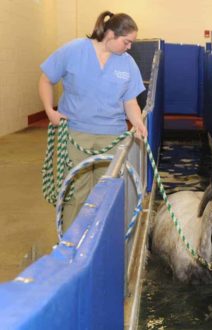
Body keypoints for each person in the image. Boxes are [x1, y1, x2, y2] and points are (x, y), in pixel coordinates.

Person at [39, 11, 146, 229]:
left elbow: (130, 102)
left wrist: (138, 123)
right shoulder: (74, 50)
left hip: (112, 136)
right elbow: (45, 79)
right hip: (77, 133)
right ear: (111, 34)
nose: (129, 47)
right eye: (126, 42)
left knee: (105, 193)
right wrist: (50, 110)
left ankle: (98, 242)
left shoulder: (127, 63)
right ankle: (70, 243)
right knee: (77, 192)